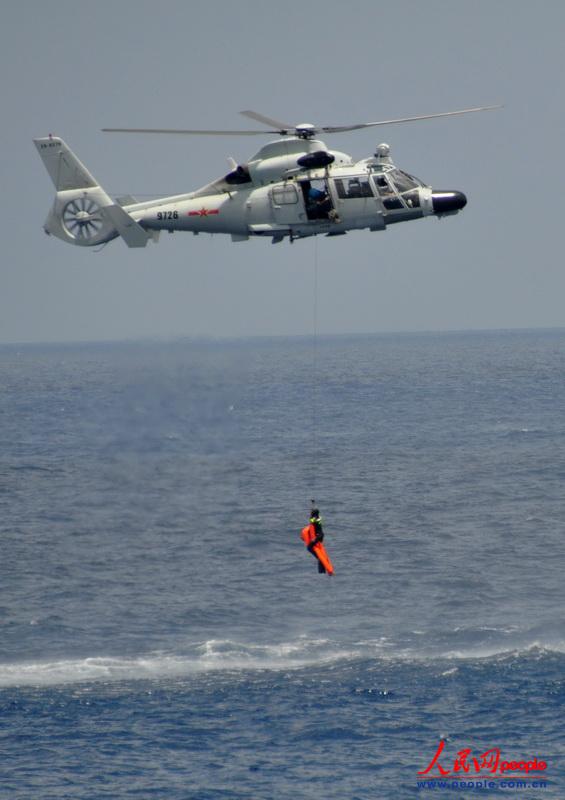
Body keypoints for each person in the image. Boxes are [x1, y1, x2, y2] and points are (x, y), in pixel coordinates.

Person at [301, 507, 329, 574]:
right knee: (318, 555)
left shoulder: (317, 519)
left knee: (310, 547)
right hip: (319, 535)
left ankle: (321, 571)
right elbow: (312, 521)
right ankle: (322, 570)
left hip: (319, 536)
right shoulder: (317, 517)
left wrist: (311, 514)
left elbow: (312, 520)